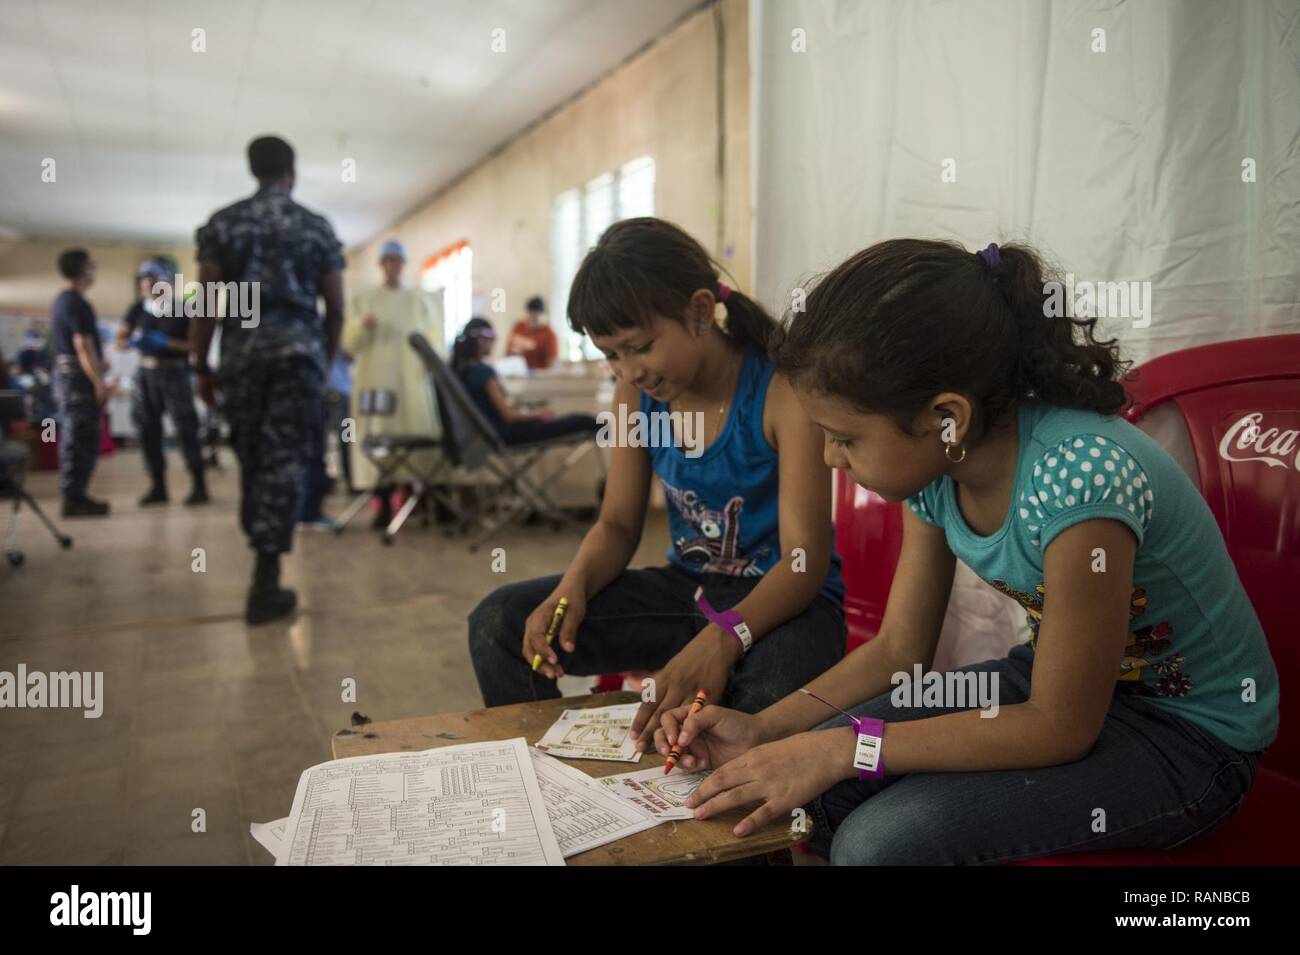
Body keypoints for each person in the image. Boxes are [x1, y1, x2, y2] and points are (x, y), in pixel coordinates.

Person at [649, 239, 1279, 865]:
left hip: (1189, 737)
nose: (828, 459)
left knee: (876, 843)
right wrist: (769, 729)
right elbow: (899, 649)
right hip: (1051, 683)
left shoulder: (1080, 481)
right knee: (813, 796)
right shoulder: (937, 475)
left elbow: (1060, 724)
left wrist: (845, 746)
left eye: (845, 438)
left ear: (945, 416)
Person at [468, 217, 845, 745]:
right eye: (611, 356)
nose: (628, 371)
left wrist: (722, 640)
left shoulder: (781, 391)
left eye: (639, 346)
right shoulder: (635, 399)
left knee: (753, 713)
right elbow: (619, 523)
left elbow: (804, 562)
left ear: (697, 311)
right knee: (500, 626)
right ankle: (549, 785)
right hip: (689, 594)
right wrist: (571, 587)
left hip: (784, 606)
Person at [192, 135, 346, 624]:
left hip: (242, 359)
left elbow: (209, 303)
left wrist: (201, 365)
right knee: (285, 459)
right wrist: (319, 360)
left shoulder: (225, 223)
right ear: (291, 171)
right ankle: (266, 575)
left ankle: (262, 561)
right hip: (297, 358)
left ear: (252, 170)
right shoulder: (315, 227)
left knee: (252, 454)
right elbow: (336, 306)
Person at [340, 239, 443, 528]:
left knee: (415, 439)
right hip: (376, 385)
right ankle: (382, 504)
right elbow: (347, 344)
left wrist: (431, 365)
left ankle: (416, 500)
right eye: (388, 260)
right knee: (377, 441)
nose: (393, 266)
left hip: (412, 385)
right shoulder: (363, 300)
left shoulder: (419, 302)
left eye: (398, 260)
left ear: (403, 264)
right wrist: (361, 327)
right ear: (381, 264)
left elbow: (436, 346)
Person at [116, 255, 207, 506]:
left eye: (153, 278)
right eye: (144, 279)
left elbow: (195, 345)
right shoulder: (137, 309)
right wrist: (131, 342)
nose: (146, 283)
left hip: (175, 373)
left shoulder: (184, 310)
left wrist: (167, 343)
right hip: (146, 375)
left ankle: (199, 485)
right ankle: (158, 487)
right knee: (147, 430)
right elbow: (120, 339)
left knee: (186, 429)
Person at [453, 317, 598, 445]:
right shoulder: (483, 372)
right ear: (482, 340)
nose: (494, 344)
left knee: (576, 420)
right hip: (507, 434)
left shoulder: (462, 372)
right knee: (582, 421)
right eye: (493, 339)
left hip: (492, 435)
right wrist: (539, 414)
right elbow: (508, 416)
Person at [49, 248, 110, 517]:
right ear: (82, 270)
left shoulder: (63, 300)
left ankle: (76, 495)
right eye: (91, 265)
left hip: (68, 375)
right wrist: (98, 381)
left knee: (77, 436)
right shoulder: (76, 302)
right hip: (77, 380)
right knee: (81, 438)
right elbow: (82, 345)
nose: (94, 269)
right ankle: (74, 499)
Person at [506, 295, 558, 370]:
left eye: (536, 315)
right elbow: (508, 351)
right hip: (516, 372)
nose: (533, 319)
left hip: (537, 376)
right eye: (531, 314)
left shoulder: (549, 334)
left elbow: (552, 363)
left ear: (543, 314)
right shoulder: (519, 326)